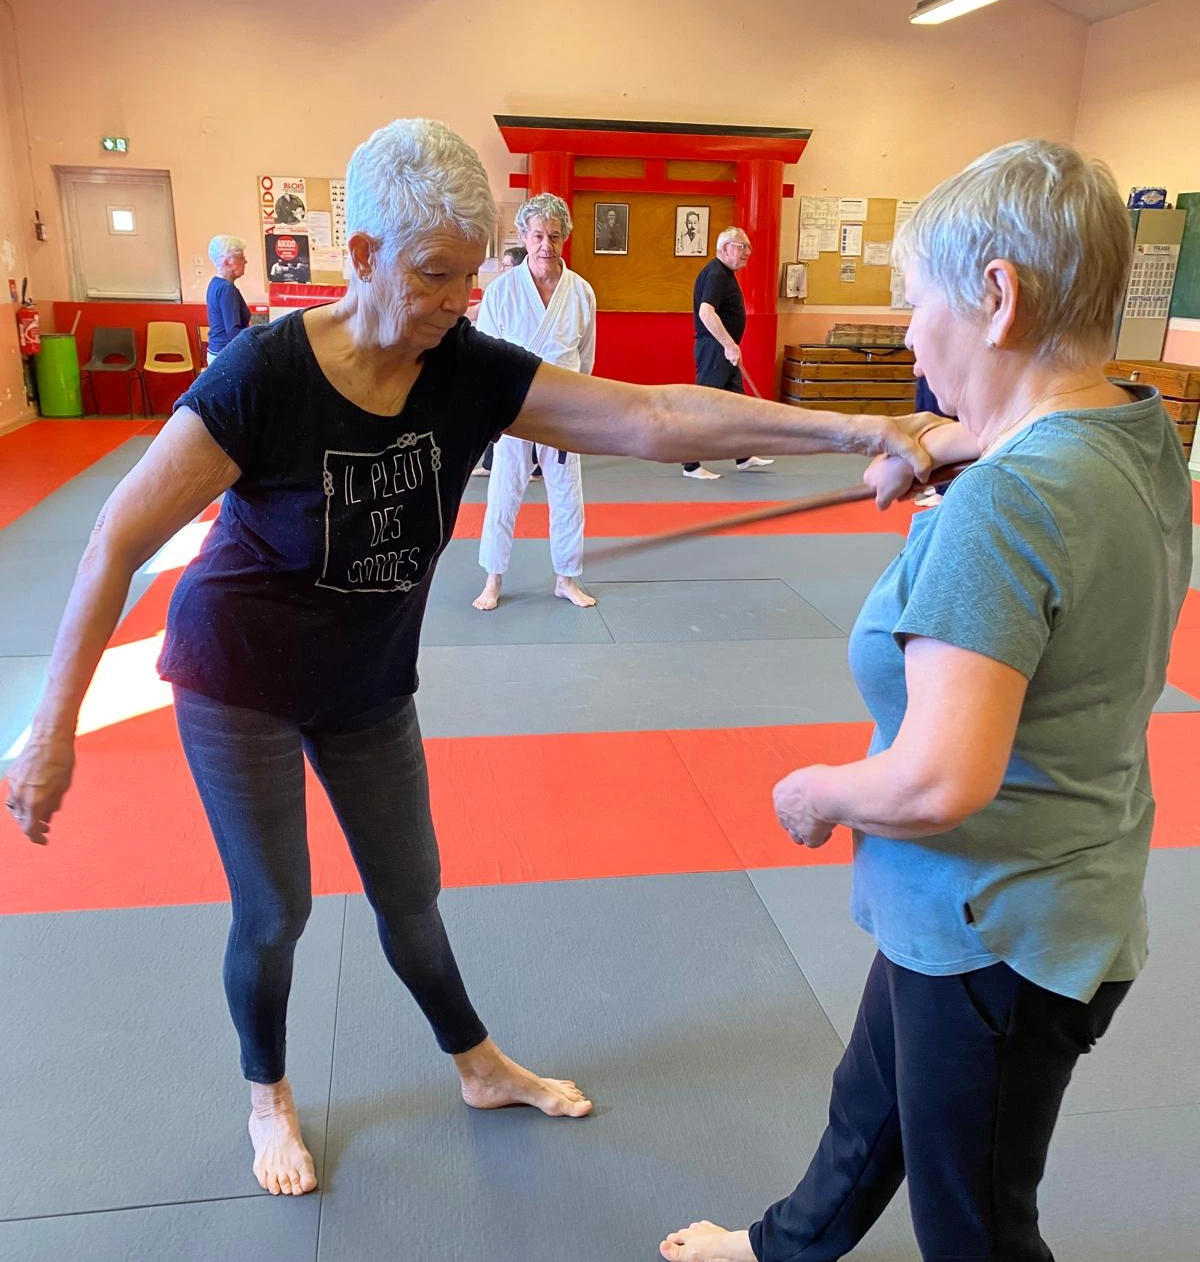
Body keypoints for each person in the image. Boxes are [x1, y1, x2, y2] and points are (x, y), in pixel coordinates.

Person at [4, 117, 930, 1202]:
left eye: (472, 273)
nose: (460, 299)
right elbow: (115, 540)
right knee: (276, 909)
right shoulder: (263, 376)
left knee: (412, 894)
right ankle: (268, 1093)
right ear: (363, 257)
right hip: (238, 677)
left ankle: (477, 1063)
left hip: (366, 683)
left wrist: (859, 431)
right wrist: (52, 728)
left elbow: (653, 415)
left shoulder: (467, 369)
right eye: (435, 274)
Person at [659, 140, 1191, 1262]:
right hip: (1011, 898)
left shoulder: (1009, 508)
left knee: (972, 1221)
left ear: (997, 298)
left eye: (918, 300)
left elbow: (942, 776)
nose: (906, 332)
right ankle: (791, 1248)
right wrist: (938, 444)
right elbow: (1032, 448)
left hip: (1005, 929)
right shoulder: (1139, 436)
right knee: (871, 1101)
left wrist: (817, 793)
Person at [475, 195, 598, 611]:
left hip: (563, 407)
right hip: (514, 407)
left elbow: (585, 356)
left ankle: (566, 578)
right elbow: (485, 355)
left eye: (555, 236)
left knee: (567, 494)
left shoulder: (580, 292)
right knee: (503, 492)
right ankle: (493, 579)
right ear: (523, 237)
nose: (547, 245)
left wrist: (580, 404)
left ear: (565, 238)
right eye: (539, 236)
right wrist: (491, 410)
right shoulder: (502, 291)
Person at [683, 226, 773, 479]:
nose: (748, 252)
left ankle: (743, 456)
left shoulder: (724, 273)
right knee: (702, 406)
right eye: (742, 246)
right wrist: (729, 345)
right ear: (725, 248)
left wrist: (730, 345)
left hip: (721, 349)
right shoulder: (716, 274)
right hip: (715, 349)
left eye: (749, 247)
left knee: (737, 406)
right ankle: (690, 464)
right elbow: (706, 312)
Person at [471, 245, 527, 478]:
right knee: (497, 413)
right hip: (503, 360)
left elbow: (477, 312)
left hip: (518, 362)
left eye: (507, 265)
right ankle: (490, 463)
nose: (503, 269)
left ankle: (533, 467)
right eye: (502, 265)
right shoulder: (501, 289)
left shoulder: (519, 291)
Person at [205, 236, 251, 360]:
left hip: (217, 352)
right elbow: (233, 331)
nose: (245, 261)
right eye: (241, 257)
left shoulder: (215, 283)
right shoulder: (227, 289)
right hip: (225, 355)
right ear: (226, 262)